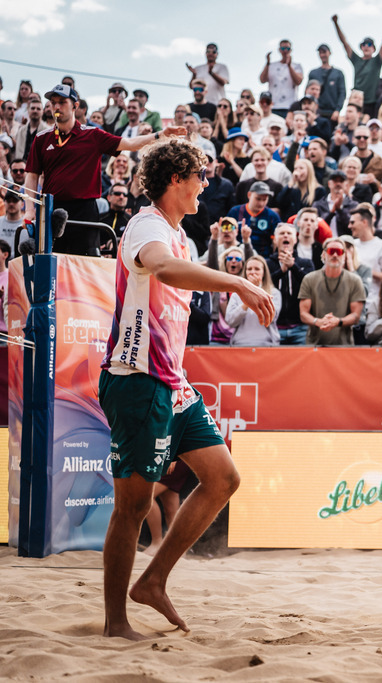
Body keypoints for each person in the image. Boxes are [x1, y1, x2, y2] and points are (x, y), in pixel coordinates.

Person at [98, 138, 273, 640]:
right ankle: (115, 623)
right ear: (176, 179)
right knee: (131, 507)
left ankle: (152, 581)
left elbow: (179, 271)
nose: (206, 185)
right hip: (136, 381)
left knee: (223, 478)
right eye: (200, 175)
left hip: (173, 383)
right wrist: (236, 283)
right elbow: (164, 268)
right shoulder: (147, 225)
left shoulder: (182, 237)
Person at [25, 84, 186, 255]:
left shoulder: (92, 135)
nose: (57, 107)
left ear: (75, 106)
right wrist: (29, 209)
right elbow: (32, 175)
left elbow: (129, 144)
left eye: (62, 102)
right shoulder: (42, 138)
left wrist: (160, 134)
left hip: (84, 209)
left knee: (84, 264)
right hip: (52, 209)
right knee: (50, 261)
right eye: (53, 102)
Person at [298, 236, 366, 345]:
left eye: (339, 252)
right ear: (324, 254)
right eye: (331, 251)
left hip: (344, 345)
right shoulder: (309, 279)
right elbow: (303, 314)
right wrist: (318, 322)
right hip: (315, 344)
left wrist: (338, 322)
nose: (335, 255)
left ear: (344, 255)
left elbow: (356, 316)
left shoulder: (355, 280)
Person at [225, 255, 281, 345]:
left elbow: (271, 317)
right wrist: (247, 301)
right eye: (249, 269)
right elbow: (230, 321)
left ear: (264, 272)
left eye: (257, 269)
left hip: (266, 344)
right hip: (240, 344)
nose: (252, 272)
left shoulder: (274, 293)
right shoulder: (236, 294)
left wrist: (256, 290)